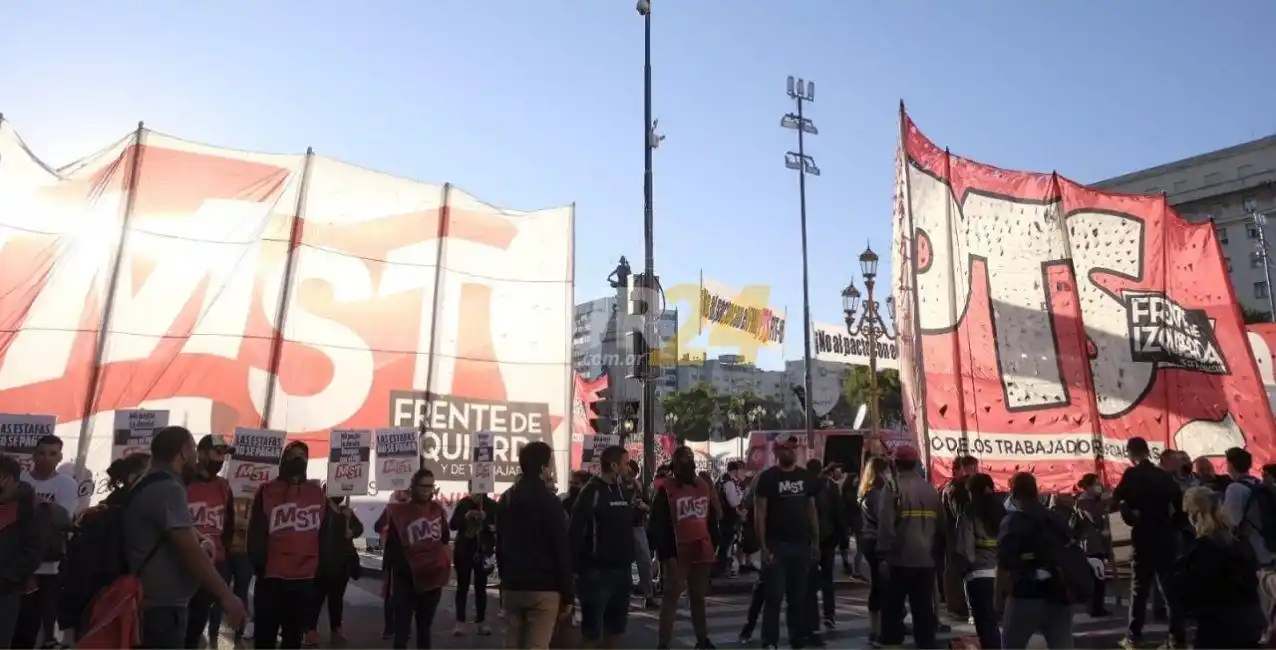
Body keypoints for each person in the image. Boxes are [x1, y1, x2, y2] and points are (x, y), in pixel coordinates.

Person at [125, 426, 246, 648]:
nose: (221, 460)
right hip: (160, 606)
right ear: (186, 452)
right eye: (216, 452)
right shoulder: (170, 487)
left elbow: (189, 529)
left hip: (165, 598)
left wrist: (203, 540)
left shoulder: (150, 481)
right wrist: (226, 595)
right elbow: (187, 547)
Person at [247, 440, 332, 649]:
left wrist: (321, 570)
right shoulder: (267, 491)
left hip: (304, 580)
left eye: (303, 456)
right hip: (272, 579)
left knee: (293, 640)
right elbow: (256, 531)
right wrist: (261, 565)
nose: (299, 460)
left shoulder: (317, 493)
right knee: (264, 638)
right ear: (284, 459)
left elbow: (325, 534)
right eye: (294, 455)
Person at [497, 441, 574, 650]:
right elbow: (560, 549)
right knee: (537, 646)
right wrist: (567, 593)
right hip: (544, 587)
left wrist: (504, 580)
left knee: (511, 645)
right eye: (550, 463)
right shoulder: (550, 502)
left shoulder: (507, 499)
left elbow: (500, 544)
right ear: (543, 467)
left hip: (513, 584)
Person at [1113, 437, 1187, 650]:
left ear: (1130, 453)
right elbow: (1180, 508)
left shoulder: (1131, 475)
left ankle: (1134, 637)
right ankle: (1177, 639)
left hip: (1143, 536)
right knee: (1170, 591)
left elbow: (1117, 499)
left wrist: (1131, 514)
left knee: (1139, 591)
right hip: (1165, 537)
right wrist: (1172, 526)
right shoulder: (1163, 477)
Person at [1173, 485, 1263, 648]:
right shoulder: (1238, 540)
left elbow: (1193, 590)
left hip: (1218, 626)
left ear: (1195, 514)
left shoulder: (1204, 548)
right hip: (1250, 620)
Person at [649, 445, 720, 650]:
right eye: (683, 461)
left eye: (689, 460)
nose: (687, 464)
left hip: (701, 549)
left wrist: (713, 546)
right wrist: (666, 555)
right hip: (677, 552)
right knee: (671, 598)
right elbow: (658, 524)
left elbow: (711, 518)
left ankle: (702, 639)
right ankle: (663, 643)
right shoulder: (666, 489)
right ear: (675, 466)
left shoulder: (703, 486)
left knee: (698, 598)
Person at [753, 436, 820, 650]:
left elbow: (812, 511)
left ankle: (797, 637)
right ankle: (769, 641)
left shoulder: (805, 477)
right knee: (773, 596)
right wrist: (763, 547)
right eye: (784, 448)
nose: (789, 451)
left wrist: (815, 541)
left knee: (798, 597)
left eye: (792, 448)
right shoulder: (767, 478)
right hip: (776, 545)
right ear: (776, 452)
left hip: (801, 544)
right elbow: (759, 514)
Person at [995, 472, 1074, 649]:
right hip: (1059, 593)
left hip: (1025, 595)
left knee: (1011, 644)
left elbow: (1004, 563)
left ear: (1013, 493)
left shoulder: (1013, 522)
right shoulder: (1056, 519)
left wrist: (998, 597)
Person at [569, 445, 636, 649]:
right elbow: (575, 532)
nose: (629, 469)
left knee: (616, 630)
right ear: (614, 466)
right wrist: (574, 570)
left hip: (623, 571)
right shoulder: (591, 491)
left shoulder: (623, 490)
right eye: (626, 464)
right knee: (592, 634)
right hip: (596, 573)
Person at [877, 444, 943, 650]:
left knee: (892, 612)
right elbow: (942, 527)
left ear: (895, 463)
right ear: (915, 463)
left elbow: (886, 526)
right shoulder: (930, 489)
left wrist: (883, 556)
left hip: (899, 560)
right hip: (926, 561)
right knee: (923, 610)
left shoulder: (892, 488)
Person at [18, 434, 79, 649]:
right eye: (42, 453)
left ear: (60, 457)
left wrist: (34, 505)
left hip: (50, 564)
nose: (46, 458)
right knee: (21, 624)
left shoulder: (67, 484)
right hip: (21, 563)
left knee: (46, 623)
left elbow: (63, 517)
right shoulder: (21, 480)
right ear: (34, 455)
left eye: (52, 454)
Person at [381, 469, 449, 650]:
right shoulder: (400, 512)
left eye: (431, 486)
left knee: (424, 630)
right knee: (402, 632)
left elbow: (444, 539)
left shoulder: (437, 510)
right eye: (423, 486)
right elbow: (392, 549)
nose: (428, 490)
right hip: (407, 580)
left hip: (432, 580)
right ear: (413, 486)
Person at [185, 434, 236, 649]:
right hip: (184, 564)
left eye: (224, 454)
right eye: (217, 453)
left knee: (197, 622)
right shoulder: (182, 481)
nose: (221, 459)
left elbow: (229, 526)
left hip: (213, 564)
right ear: (201, 454)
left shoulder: (224, 486)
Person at [1221, 446, 1276, 644]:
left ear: (1230, 465)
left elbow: (1231, 521)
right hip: (1269, 546)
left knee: (1261, 598)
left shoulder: (1235, 489)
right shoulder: (1260, 484)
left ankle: (1266, 636)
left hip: (1254, 551)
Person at [0, 453, 54, 649]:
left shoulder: (34, 508)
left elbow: (33, 553)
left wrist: (6, 579)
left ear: (13, 481)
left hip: (7, 592)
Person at [951, 472, 1003, 649]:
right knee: (999, 623)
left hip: (978, 576)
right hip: (1002, 575)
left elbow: (964, 549)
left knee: (985, 624)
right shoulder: (1002, 511)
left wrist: (960, 573)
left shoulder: (969, 513)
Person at [304, 494, 364, 647]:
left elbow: (359, 528)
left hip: (341, 563)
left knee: (336, 599)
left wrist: (351, 528)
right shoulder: (320, 510)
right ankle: (310, 630)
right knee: (316, 599)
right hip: (322, 564)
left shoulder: (346, 511)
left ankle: (336, 629)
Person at [448, 487, 497, 636]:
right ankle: (460, 622)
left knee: (481, 587)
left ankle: (481, 621)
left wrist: (487, 522)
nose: (476, 495)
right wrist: (466, 516)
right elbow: (453, 525)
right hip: (464, 550)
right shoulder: (464, 504)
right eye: (473, 491)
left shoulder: (492, 505)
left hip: (483, 551)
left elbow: (498, 526)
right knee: (462, 586)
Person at [940, 455, 979, 622]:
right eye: (972, 469)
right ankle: (957, 606)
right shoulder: (957, 490)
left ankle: (957, 605)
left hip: (956, 536)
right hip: (956, 537)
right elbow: (960, 516)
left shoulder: (955, 488)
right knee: (956, 571)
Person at [857, 455, 890, 646]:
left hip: (867, 540)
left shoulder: (865, 491)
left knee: (878, 584)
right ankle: (877, 630)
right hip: (877, 541)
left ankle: (876, 628)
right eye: (885, 470)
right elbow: (883, 519)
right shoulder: (877, 494)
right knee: (880, 585)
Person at [1072, 473, 1113, 618]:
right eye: (1095, 484)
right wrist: (1102, 502)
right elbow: (1093, 517)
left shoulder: (1094, 501)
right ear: (1088, 487)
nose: (1099, 486)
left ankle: (1098, 606)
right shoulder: (1084, 501)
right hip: (1090, 545)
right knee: (1095, 577)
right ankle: (1094, 607)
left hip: (1099, 543)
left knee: (1100, 578)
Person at [624, 459, 658, 609]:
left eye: (633, 473)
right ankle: (625, 597)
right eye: (628, 472)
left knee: (644, 561)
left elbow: (649, 504)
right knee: (624, 563)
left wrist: (645, 507)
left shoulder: (639, 486)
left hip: (638, 525)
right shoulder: (617, 486)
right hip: (622, 527)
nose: (630, 476)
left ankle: (648, 595)